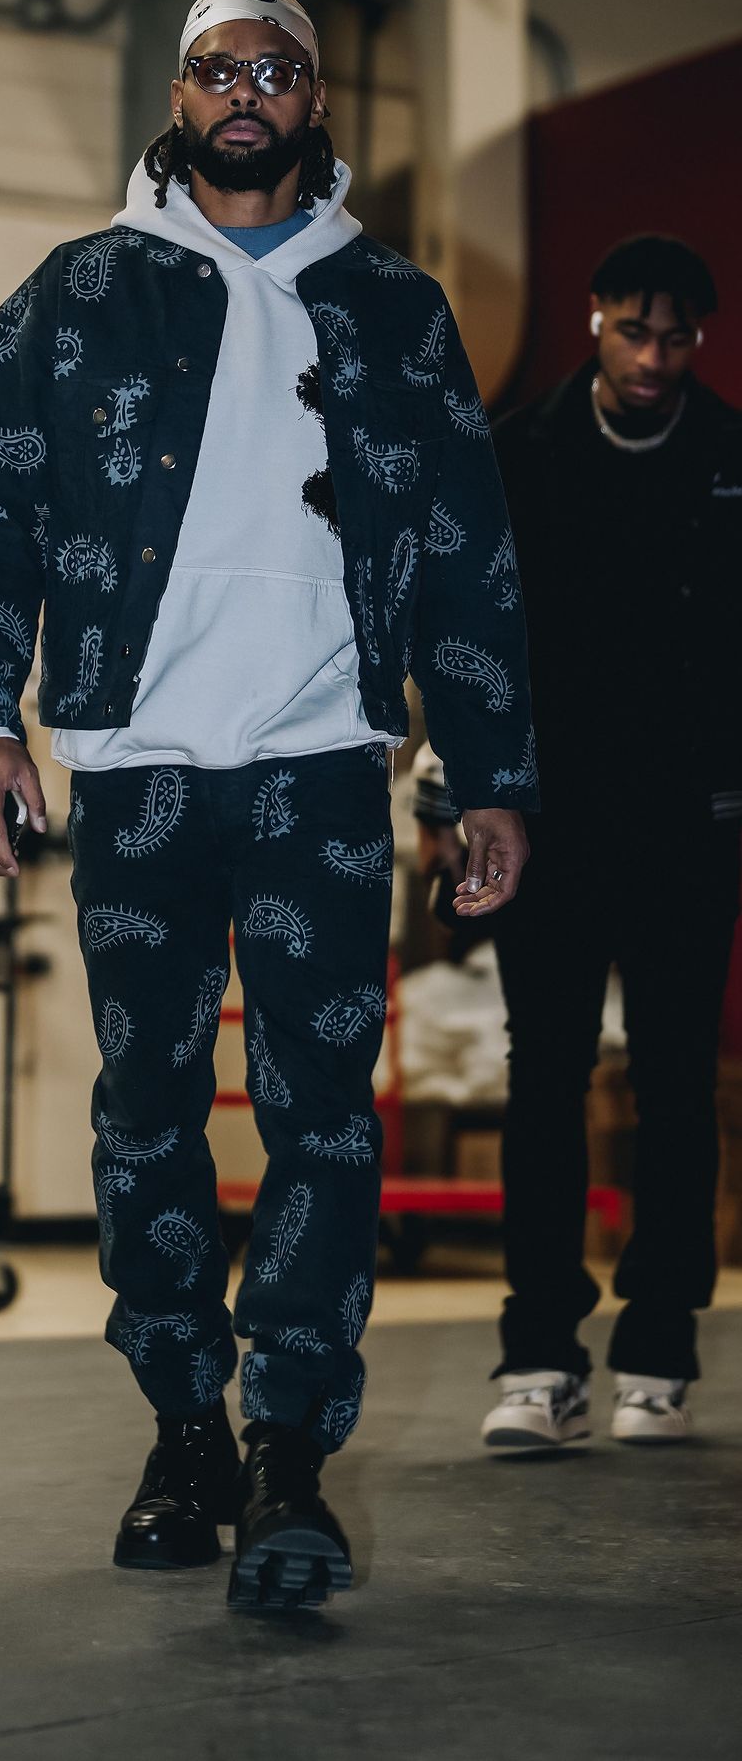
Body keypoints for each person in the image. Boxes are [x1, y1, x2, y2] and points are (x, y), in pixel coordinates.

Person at [0, 0, 535, 1610]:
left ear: (317, 101)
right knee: (147, 1111)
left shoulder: (393, 309)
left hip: (321, 766)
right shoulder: (78, 293)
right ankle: (185, 1426)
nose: (244, 92)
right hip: (135, 768)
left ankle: (289, 1458)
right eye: (216, 68)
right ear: (179, 94)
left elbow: (469, 557)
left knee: (322, 1116)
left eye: (275, 69)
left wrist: (490, 774)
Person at [419, 236, 741, 1451]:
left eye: (676, 337)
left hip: (689, 827)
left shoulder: (731, 458)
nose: (654, 357)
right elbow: (464, 635)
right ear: (597, 317)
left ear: (698, 339)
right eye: (634, 330)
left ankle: (658, 1354)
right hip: (541, 821)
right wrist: (447, 796)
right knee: (543, 1078)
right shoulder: (519, 453)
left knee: (674, 1085)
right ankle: (540, 1357)